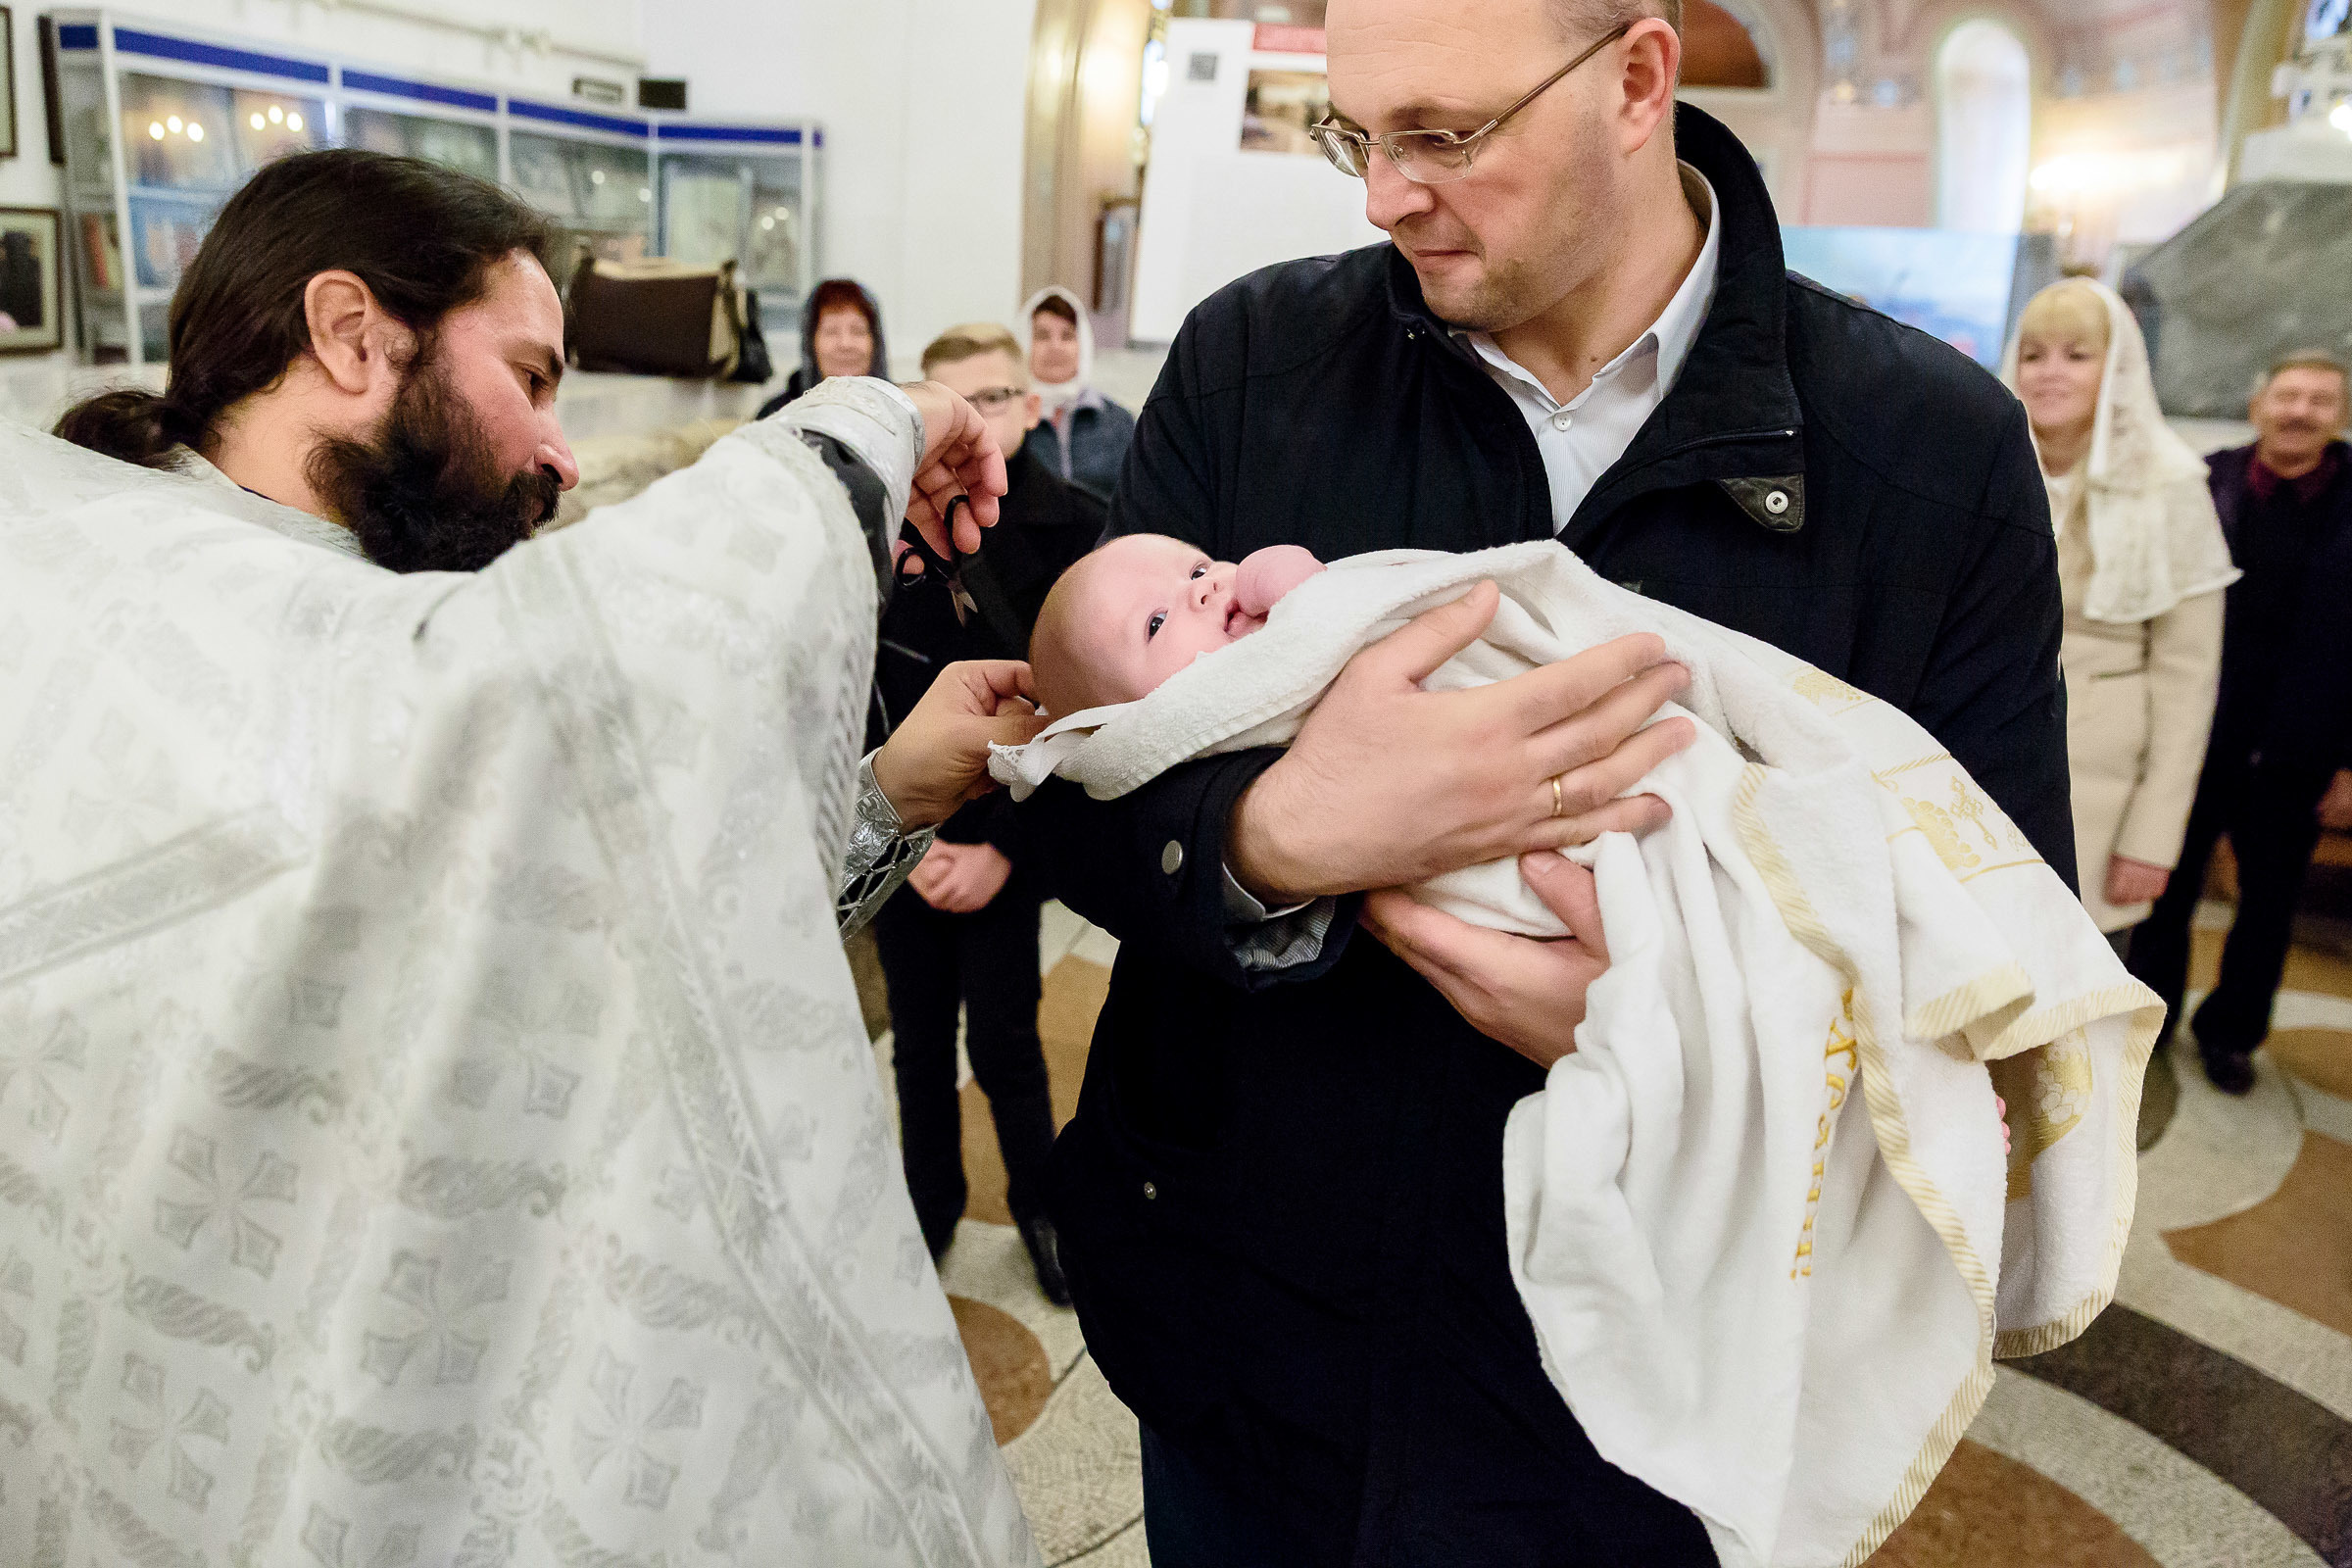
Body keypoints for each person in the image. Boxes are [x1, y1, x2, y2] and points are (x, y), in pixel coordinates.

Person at [1015, 0, 2073, 1559]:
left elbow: (1995, 957)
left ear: (1637, 80)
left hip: (1628, 1399)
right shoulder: (1254, 358)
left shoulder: (1930, 453)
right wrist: (1275, 837)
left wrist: (1681, 1022)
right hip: (1250, 1331)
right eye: (1354, 133)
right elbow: (1082, 782)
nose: (1382, 196)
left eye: (1443, 134)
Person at [11, 149, 1048, 1565]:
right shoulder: (217, 621)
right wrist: (880, 421)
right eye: (533, 378)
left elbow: (569, 930)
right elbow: (559, 681)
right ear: (353, 335)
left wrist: (873, 803)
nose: (560, 455)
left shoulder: (268, 593)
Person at [873, 323, 1103, 1303]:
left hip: (1010, 843)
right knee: (919, 1042)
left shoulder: (1079, 527)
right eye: (957, 405)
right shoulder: (889, 537)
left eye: (998, 398)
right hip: (899, 842)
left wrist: (1003, 852)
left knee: (1007, 1037)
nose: (982, 422)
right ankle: (927, 1207)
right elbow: (859, 692)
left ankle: (1041, 1208)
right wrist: (896, 835)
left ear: (1030, 408)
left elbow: (1091, 715)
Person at [2129, 353, 2352, 1094]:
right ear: (2257, 406)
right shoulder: (2205, 481)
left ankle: (2230, 1035)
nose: (2300, 411)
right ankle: (2149, 1015)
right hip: (2198, 734)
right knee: (2167, 888)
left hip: (2301, 748)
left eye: (2320, 400)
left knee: (2268, 905)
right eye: (2288, 395)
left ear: (2340, 416)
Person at [2001, 279, 2236, 951]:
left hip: (2099, 798)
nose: (2050, 374)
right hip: (1975, 769)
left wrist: (2153, 838)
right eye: (2033, 354)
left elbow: (2188, 681)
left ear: (2120, 367)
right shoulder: (1982, 466)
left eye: (2077, 355)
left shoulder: (2172, 485)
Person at [1021, 284, 1136, 502]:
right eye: (1042, 336)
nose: (1055, 346)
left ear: (1083, 345)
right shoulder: (1008, 417)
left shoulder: (1119, 421)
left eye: (1067, 336)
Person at [758, 273, 890, 416]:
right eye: (831, 331)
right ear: (810, 343)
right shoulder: (776, 415)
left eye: (858, 331)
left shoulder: (903, 413)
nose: (845, 344)